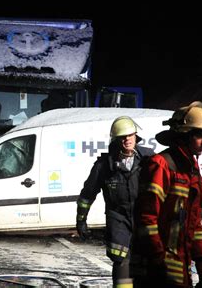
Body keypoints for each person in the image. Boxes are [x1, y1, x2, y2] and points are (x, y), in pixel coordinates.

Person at [136, 101, 202, 287]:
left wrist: (200, 260)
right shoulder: (161, 165)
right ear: (184, 136)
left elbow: (195, 220)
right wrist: (157, 257)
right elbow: (147, 218)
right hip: (158, 266)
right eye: (200, 135)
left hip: (180, 264)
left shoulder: (191, 169)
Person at [76, 116, 154, 288]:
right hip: (118, 221)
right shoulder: (104, 165)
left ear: (136, 136)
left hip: (144, 220)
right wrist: (81, 220)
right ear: (116, 139)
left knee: (146, 267)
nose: (127, 139)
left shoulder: (149, 159)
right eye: (122, 136)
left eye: (130, 135)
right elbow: (88, 194)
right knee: (122, 264)